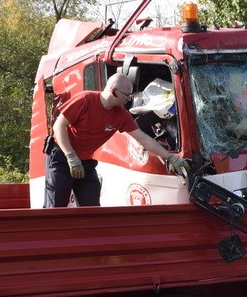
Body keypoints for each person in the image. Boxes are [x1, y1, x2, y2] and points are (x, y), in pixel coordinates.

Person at [44, 72, 192, 207]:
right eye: (126, 95)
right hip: (62, 157)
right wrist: (71, 156)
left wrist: (171, 157)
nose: (129, 100)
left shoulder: (121, 115)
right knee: (56, 208)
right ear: (113, 91)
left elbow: (144, 139)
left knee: (92, 209)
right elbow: (59, 126)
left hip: (85, 163)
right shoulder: (85, 99)